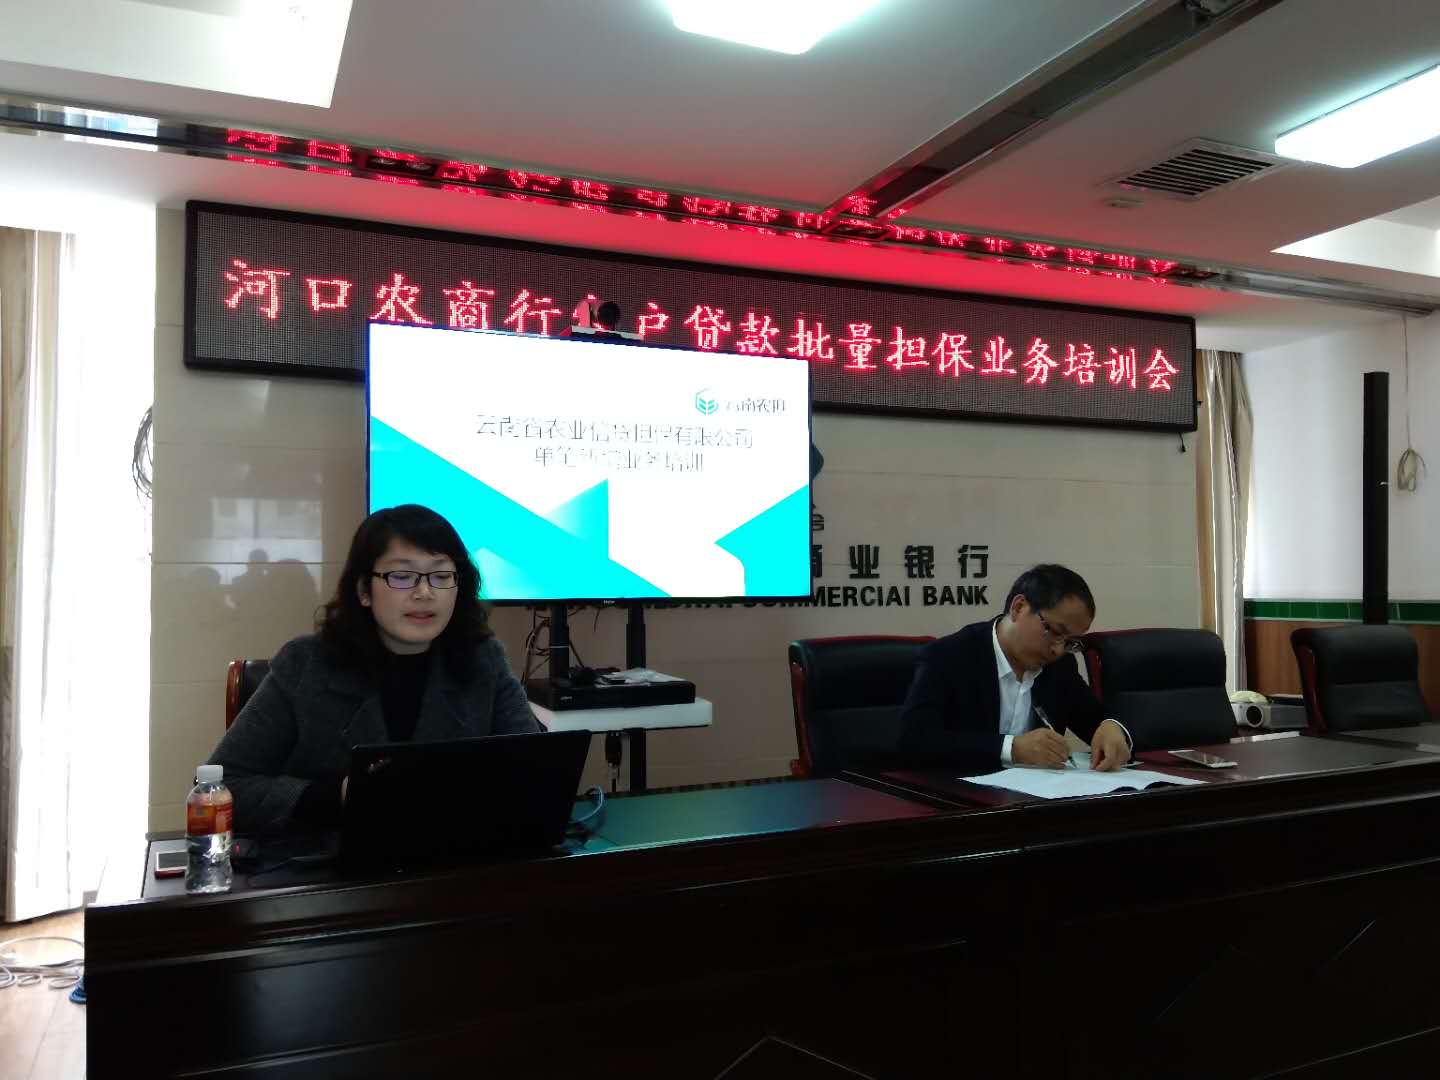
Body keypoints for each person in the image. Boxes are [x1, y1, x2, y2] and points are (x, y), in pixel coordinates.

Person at [209, 504, 540, 834]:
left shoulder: (483, 660)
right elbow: (221, 787)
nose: (425, 593)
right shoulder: (305, 665)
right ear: (364, 591)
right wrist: (337, 796)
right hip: (331, 857)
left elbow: (536, 770)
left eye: (441, 576)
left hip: (454, 854)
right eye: (402, 576)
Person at [898, 564, 1132, 774]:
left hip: (1036, 801)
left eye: (1071, 642)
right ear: (1019, 607)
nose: (1058, 650)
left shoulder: (1059, 667)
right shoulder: (949, 656)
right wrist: (1011, 748)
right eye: (1055, 632)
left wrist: (1112, 728)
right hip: (959, 799)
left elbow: (1097, 719)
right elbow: (913, 741)